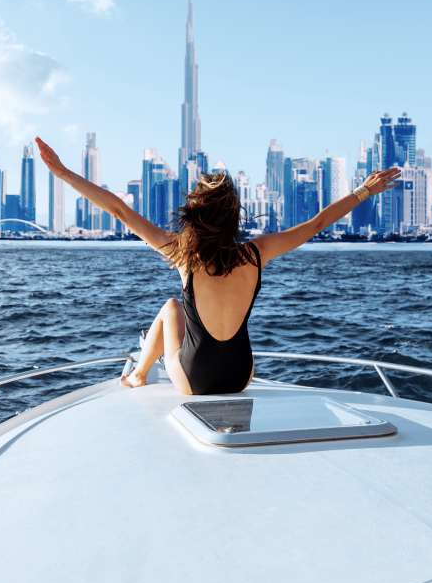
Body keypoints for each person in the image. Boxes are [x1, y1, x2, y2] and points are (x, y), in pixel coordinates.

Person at [34, 137, 402, 395]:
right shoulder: (256, 253)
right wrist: (364, 191)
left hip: (196, 381)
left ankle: (138, 376)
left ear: (196, 211)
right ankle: (144, 375)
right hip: (241, 374)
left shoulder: (182, 253)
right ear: (233, 215)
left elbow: (119, 210)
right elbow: (317, 223)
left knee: (171, 308)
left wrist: (65, 174)